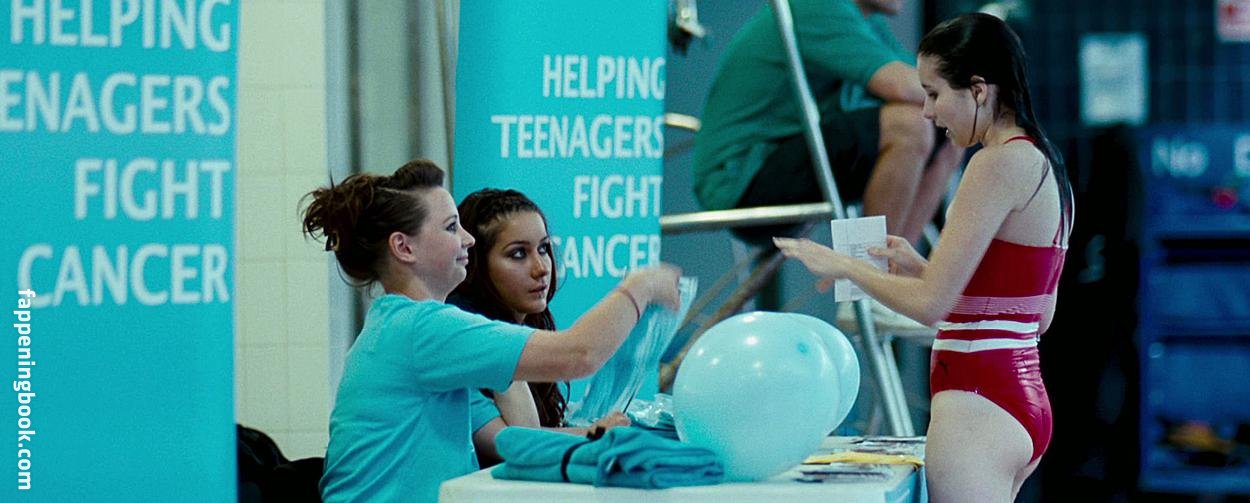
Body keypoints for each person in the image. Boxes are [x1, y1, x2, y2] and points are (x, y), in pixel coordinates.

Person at [774, 13, 1073, 502]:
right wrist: (923, 268)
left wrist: (845, 266)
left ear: (978, 90)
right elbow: (1036, 314)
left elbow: (932, 306)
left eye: (934, 94)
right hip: (1023, 403)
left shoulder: (994, 163)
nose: (928, 112)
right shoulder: (1046, 164)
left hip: (977, 406)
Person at [302, 160, 680, 502]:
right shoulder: (422, 329)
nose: (468, 239)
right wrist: (641, 285)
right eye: (452, 227)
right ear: (404, 247)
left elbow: (517, 436)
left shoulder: (404, 328)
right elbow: (579, 355)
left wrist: (595, 436)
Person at [693, 0, 963, 246]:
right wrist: (974, 100)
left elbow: (923, 81)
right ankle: (869, 272)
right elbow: (902, 85)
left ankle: (898, 271)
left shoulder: (869, 22)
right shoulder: (819, 6)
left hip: (783, 158)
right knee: (909, 126)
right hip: (741, 179)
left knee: (952, 134)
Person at [447, 188, 629, 466]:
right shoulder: (462, 330)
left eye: (543, 249)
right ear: (476, 265)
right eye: (518, 254)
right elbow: (520, 439)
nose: (541, 268)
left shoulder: (526, 321)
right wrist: (596, 434)